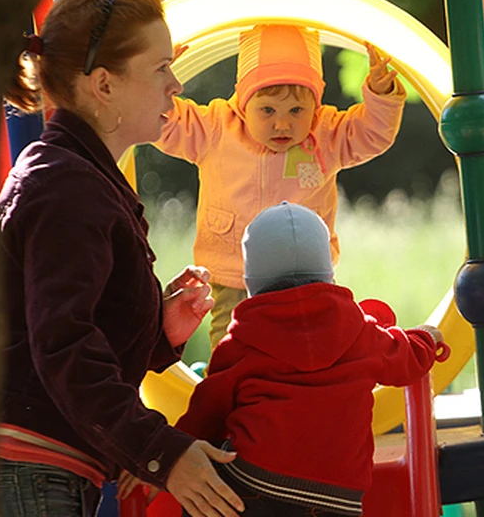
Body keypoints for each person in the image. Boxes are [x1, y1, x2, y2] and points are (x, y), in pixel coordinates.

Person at [0, 0, 245, 517]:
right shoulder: (65, 186)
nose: (176, 84)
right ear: (104, 85)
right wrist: (165, 456)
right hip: (26, 476)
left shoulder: (77, 176)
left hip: (40, 474)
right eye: (160, 68)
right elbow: (63, 347)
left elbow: (63, 324)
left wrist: (158, 332)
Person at [172, 201, 446, 516]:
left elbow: (208, 410)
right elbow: (406, 358)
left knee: (201, 486)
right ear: (327, 272)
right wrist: (426, 337)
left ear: (251, 282)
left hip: (254, 481)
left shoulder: (241, 342)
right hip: (338, 496)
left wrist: (171, 455)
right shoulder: (360, 331)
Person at [154, 24, 407, 354]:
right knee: (231, 343)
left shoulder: (326, 134)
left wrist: (380, 90)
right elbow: (162, 122)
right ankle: (232, 399)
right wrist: (157, 78)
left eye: (297, 111)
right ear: (244, 104)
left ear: (314, 107)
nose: (283, 124)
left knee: (308, 346)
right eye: (268, 110)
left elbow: (372, 133)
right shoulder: (215, 127)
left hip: (305, 273)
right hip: (235, 272)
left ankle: (302, 398)